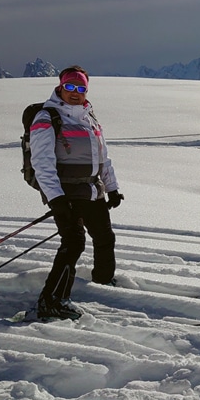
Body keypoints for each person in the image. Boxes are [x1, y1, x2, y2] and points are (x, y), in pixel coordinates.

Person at [29, 65, 124, 319]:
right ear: (61, 87)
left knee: (105, 237)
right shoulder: (47, 117)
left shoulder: (89, 116)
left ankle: (103, 284)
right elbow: (42, 162)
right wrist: (56, 199)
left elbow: (102, 158)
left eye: (81, 88)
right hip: (66, 193)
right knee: (73, 243)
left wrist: (112, 188)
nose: (75, 92)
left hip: (93, 190)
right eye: (70, 86)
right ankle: (52, 300)